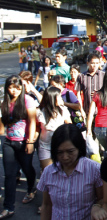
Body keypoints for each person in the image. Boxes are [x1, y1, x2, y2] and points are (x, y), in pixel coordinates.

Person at [37, 124, 103, 220]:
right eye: (60, 152)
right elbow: (47, 205)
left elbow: (102, 199)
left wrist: (97, 207)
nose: (65, 157)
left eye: (70, 151)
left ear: (79, 148)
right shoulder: (48, 172)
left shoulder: (94, 169)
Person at [0, 75, 37, 218]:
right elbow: (2, 126)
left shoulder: (28, 100)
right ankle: (8, 207)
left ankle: (31, 188)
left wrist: (30, 142)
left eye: (17, 87)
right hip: (9, 142)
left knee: (27, 168)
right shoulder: (5, 102)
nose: (14, 90)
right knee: (9, 175)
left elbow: (33, 121)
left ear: (21, 87)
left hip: (24, 142)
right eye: (11, 87)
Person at [37, 86, 72, 170]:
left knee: (61, 172)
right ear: (52, 98)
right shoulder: (41, 112)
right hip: (45, 147)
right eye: (59, 96)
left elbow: (70, 125)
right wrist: (31, 142)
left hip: (61, 146)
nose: (61, 99)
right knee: (47, 172)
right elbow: (37, 127)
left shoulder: (63, 110)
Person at [75, 53, 105, 119]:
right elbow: (78, 94)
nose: (94, 65)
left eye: (97, 63)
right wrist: (81, 110)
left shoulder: (104, 76)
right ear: (87, 63)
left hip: (101, 112)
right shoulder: (81, 76)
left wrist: (100, 93)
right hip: (87, 111)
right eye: (92, 63)